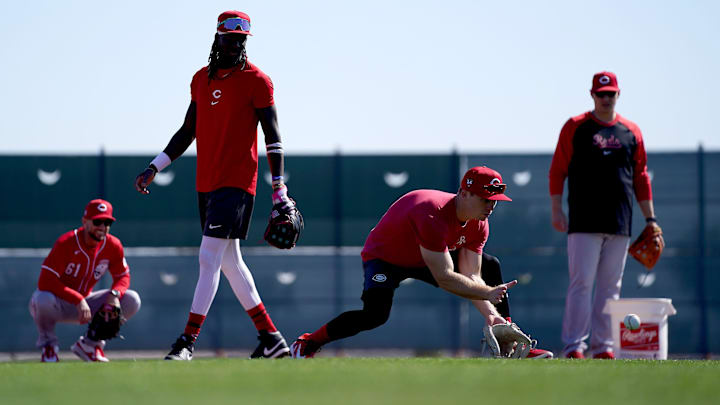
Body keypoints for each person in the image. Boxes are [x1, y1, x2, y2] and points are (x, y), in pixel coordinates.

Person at [134, 10, 293, 360]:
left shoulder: (258, 80)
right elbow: (188, 130)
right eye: (230, 38)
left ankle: (187, 341)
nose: (236, 44)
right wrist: (155, 165)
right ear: (217, 37)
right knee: (230, 262)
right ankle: (271, 338)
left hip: (236, 183)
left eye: (242, 40)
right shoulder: (199, 80)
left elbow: (274, 137)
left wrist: (279, 189)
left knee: (208, 257)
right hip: (206, 182)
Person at [290, 166, 553, 359]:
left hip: (429, 256)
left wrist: (492, 317)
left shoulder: (480, 225)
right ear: (464, 193)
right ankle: (308, 343)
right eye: (486, 199)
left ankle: (508, 339)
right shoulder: (432, 213)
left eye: (494, 200)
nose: (491, 206)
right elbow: (445, 278)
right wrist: (487, 293)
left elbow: (473, 276)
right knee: (374, 315)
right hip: (386, 258)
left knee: (490, 265)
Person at [549, 71, 662, 359]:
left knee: (611, 287)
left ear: (618, 94)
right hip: (583, 221)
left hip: (620, 220)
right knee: (582, 283)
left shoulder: (630, 131)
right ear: (592, 95)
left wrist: (651, 219)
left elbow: (641, 177)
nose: (606, 98)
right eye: (601, 94)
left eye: (610, 93)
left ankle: (604, 346)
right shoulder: (576, 126)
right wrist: (556, 209)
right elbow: (557, 170)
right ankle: (575, 344)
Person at [28, 199, 142, 362]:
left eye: (107, 222)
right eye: (97, 221)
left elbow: (123, 276)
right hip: (58, 303)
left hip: (87, 303)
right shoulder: (66, 243)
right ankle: (49, 348)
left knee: (131, 299)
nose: (102, 227)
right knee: (41, 298)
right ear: (85, 222)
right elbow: (45, 281)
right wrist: (77, 299)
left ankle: (89, 345)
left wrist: (114, 294)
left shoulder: (113, 245)